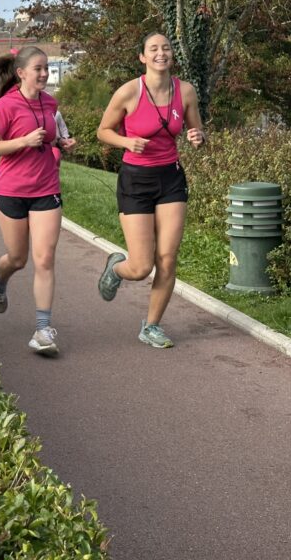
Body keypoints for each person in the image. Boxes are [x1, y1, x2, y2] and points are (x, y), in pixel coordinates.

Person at [95, 32, 206, 349]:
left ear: (172, 55)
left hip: (170, 179)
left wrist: (198, 138)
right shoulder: (129, 92)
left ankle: (152, 326)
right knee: (141, 266)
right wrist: (127, 141)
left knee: (168, 259)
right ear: (143, 58)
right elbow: (102, 131)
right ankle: (116, 268)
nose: (161, 53)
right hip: (135, 181)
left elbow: (196, 131)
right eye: (153, 49)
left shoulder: (185, 91)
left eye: (166, 47)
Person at [0, 46, 77, 356]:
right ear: (21, 73)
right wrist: (23, 141)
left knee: (45, 258)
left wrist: (63, 142)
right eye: (38, 68)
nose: (45, 73)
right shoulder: (5, 106)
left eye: (47, 68)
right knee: (17, 259)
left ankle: (42, 330)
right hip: (11, 191)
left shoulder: (50, 102)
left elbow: (49, 136)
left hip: (46, 188)